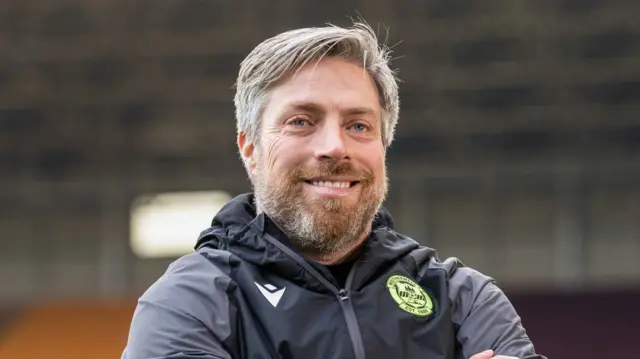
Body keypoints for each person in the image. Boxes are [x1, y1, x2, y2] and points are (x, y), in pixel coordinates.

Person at [122, 22, 546, 359]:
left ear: (383, 147)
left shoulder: (461, 299)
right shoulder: (190, 302)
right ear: (249, 147)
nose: (334, 147)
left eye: (358, 126)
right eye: (302, 121)